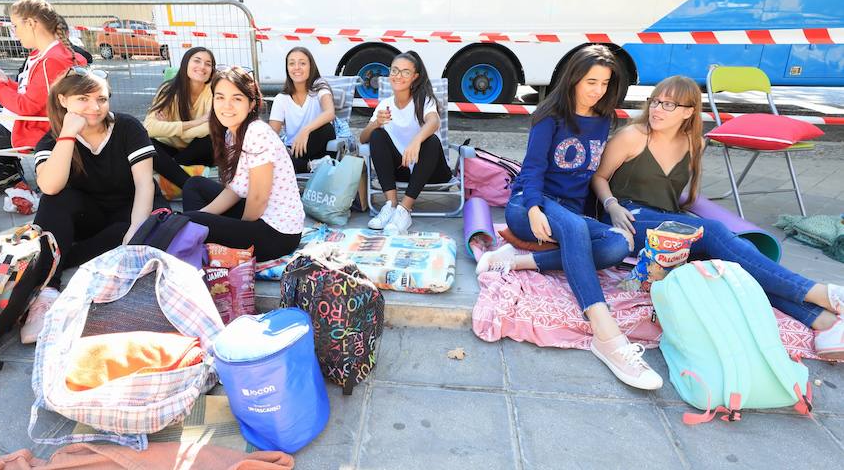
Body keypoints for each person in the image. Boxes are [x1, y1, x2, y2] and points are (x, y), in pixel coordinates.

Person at [592, 75, 844, 360]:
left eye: (669, 105)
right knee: (711, 232)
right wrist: (611, 205)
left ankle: (822, 322)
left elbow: (681, 195)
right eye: (656, 101)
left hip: (671, 223)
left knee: (734, 262)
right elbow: (599, 177)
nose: (658, 109)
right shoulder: (634, 136)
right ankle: (821, 292)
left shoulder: (694, 143)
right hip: (629, 220)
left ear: (689, 111)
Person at [475, 45, 662, 390]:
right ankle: (606, 335)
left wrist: (610, 206)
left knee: (617, 245)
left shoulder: (605, 119)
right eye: (591, 81)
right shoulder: (551, 116)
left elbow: (589, 176)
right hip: (529, 204)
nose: (598, 90)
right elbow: (531, 169)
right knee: (576, 227)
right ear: (574, 78)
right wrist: (532, 208)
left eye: (605, 83)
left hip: (569, 213)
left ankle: (518, 262)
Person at [2, 69, 161, 345]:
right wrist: (67, 136)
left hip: (130, 209)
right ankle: (47, 292)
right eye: (83, 99)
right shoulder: (52, 140)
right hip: (90, 217)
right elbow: (50, 187)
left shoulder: (127, 127)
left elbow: (145, 184)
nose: (94, 107)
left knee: (130, 231)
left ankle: (57, 260)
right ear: (63, 100)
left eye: (101, 99)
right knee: (55, 198)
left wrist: (136, 229)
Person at [0, 0, 87, 216]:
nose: (14, 32)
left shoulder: (52, 59)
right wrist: (3, 80)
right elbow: (32, 98)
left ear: (31, 23)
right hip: (14, 120)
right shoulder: (44, 55)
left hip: (23, 129)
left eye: (16, 26)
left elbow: (27, 107)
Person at [182, 66, 303, 261]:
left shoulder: (257, 132)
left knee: (191, 221)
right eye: (220, 97)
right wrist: (201, 217)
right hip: (258, 216)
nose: (226, 106)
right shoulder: (232, 132)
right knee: (194, 186)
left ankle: (196, 239)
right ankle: (195, 236)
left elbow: (258, 200)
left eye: (236, 99)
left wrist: (233, 230)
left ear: (251, 103)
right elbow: (235, 189)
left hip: (278, 234)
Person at [358, 51, 451, 235]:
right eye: (395, 70)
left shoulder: (425, 100)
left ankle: (405, 210)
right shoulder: (385, 104)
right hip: (401, 171)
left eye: (405, 72)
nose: (398, 76)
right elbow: (363, 138)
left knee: (430, 140)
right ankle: (391, 205)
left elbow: (433, 122)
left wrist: (416, 140)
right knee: (376, 135)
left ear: (415, 77)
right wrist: (377, 123)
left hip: (431, 171)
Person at [144, 47, 215, 189]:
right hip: (169, 147)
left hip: (197, 150)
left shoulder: (214, 91)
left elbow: (210, 128)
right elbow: (148, 127)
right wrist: (195, 122)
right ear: (185, 64)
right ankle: (190, 185)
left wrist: (169, 127)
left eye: (208, 64)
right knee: (146, 144)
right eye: (197, 61)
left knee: (209, 139)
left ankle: (169, 169)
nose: (202, 67)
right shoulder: (168, 90)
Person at [268, 47, 336, 173]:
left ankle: (298, 164)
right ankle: (310, 166)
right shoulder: (281, 98)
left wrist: (305, 131)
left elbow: (330, 113)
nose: (297, 67)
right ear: (287, 68)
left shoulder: (320, 88)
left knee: (326, 127)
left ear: (311, 66)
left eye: (302, 63)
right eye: (292, 63)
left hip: (320, 146)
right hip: (295, 151)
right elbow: (271, 135)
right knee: (268, 147)